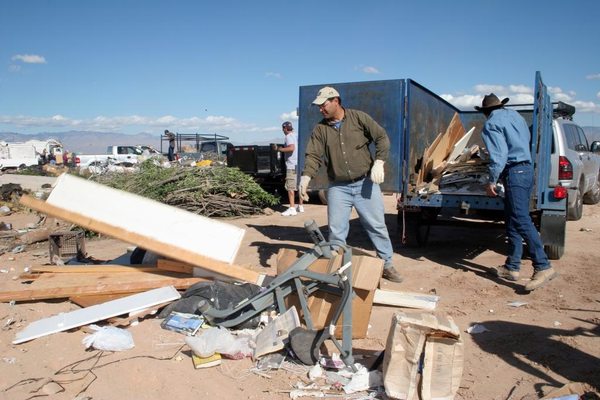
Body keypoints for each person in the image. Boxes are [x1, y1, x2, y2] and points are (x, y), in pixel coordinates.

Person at [299, 86, 403, 283]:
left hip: (365, 183)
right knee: (336, 231)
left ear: (336, 101)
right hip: (338, 187)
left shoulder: (358, 118)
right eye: (319, 106)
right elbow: (313, 155)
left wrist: (379, 161)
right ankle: (338, 268)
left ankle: (387, 264)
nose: (321, 109)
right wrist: (306, 177)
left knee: (376, 226)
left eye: (324, 104)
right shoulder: (320, 129)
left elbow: (381, 138)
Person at [477, 93, 558, 291]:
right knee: (512, 218)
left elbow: (500, 155)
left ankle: (543, 265)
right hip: (526, 170)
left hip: (514, 172)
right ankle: (511, 266)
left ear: (486, 112)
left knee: (520, 218)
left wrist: (491, 181)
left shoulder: (491, 124)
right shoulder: (517, 117)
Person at [274, 121, 304, 216]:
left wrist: (279, 149)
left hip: (292, 165)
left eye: (283, 129)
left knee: (290, 188)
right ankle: (300, 206)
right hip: (299, 164)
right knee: (300, 186)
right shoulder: (296, 135)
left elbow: (291, 148)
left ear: (285, 129)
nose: (283, 131)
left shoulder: (288, 137)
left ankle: (292, 208)